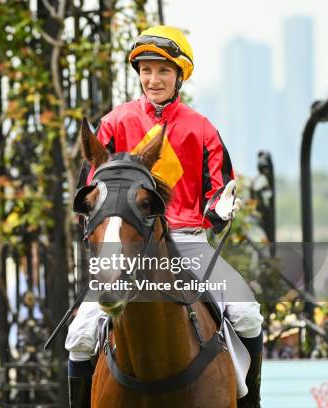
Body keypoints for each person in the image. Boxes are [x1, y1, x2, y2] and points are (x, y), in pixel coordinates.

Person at [65, 25, 263, 407]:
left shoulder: (202, 128)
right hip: (127, 244)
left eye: (163, 71)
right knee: (81, 335)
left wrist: (218, 208)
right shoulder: (113, 123)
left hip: (188, 241)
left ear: (179, 76)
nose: (153, 79)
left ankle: (251, 401)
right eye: (146, 71)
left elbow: (219, 186)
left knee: (247, 313)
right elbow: (89, 191)